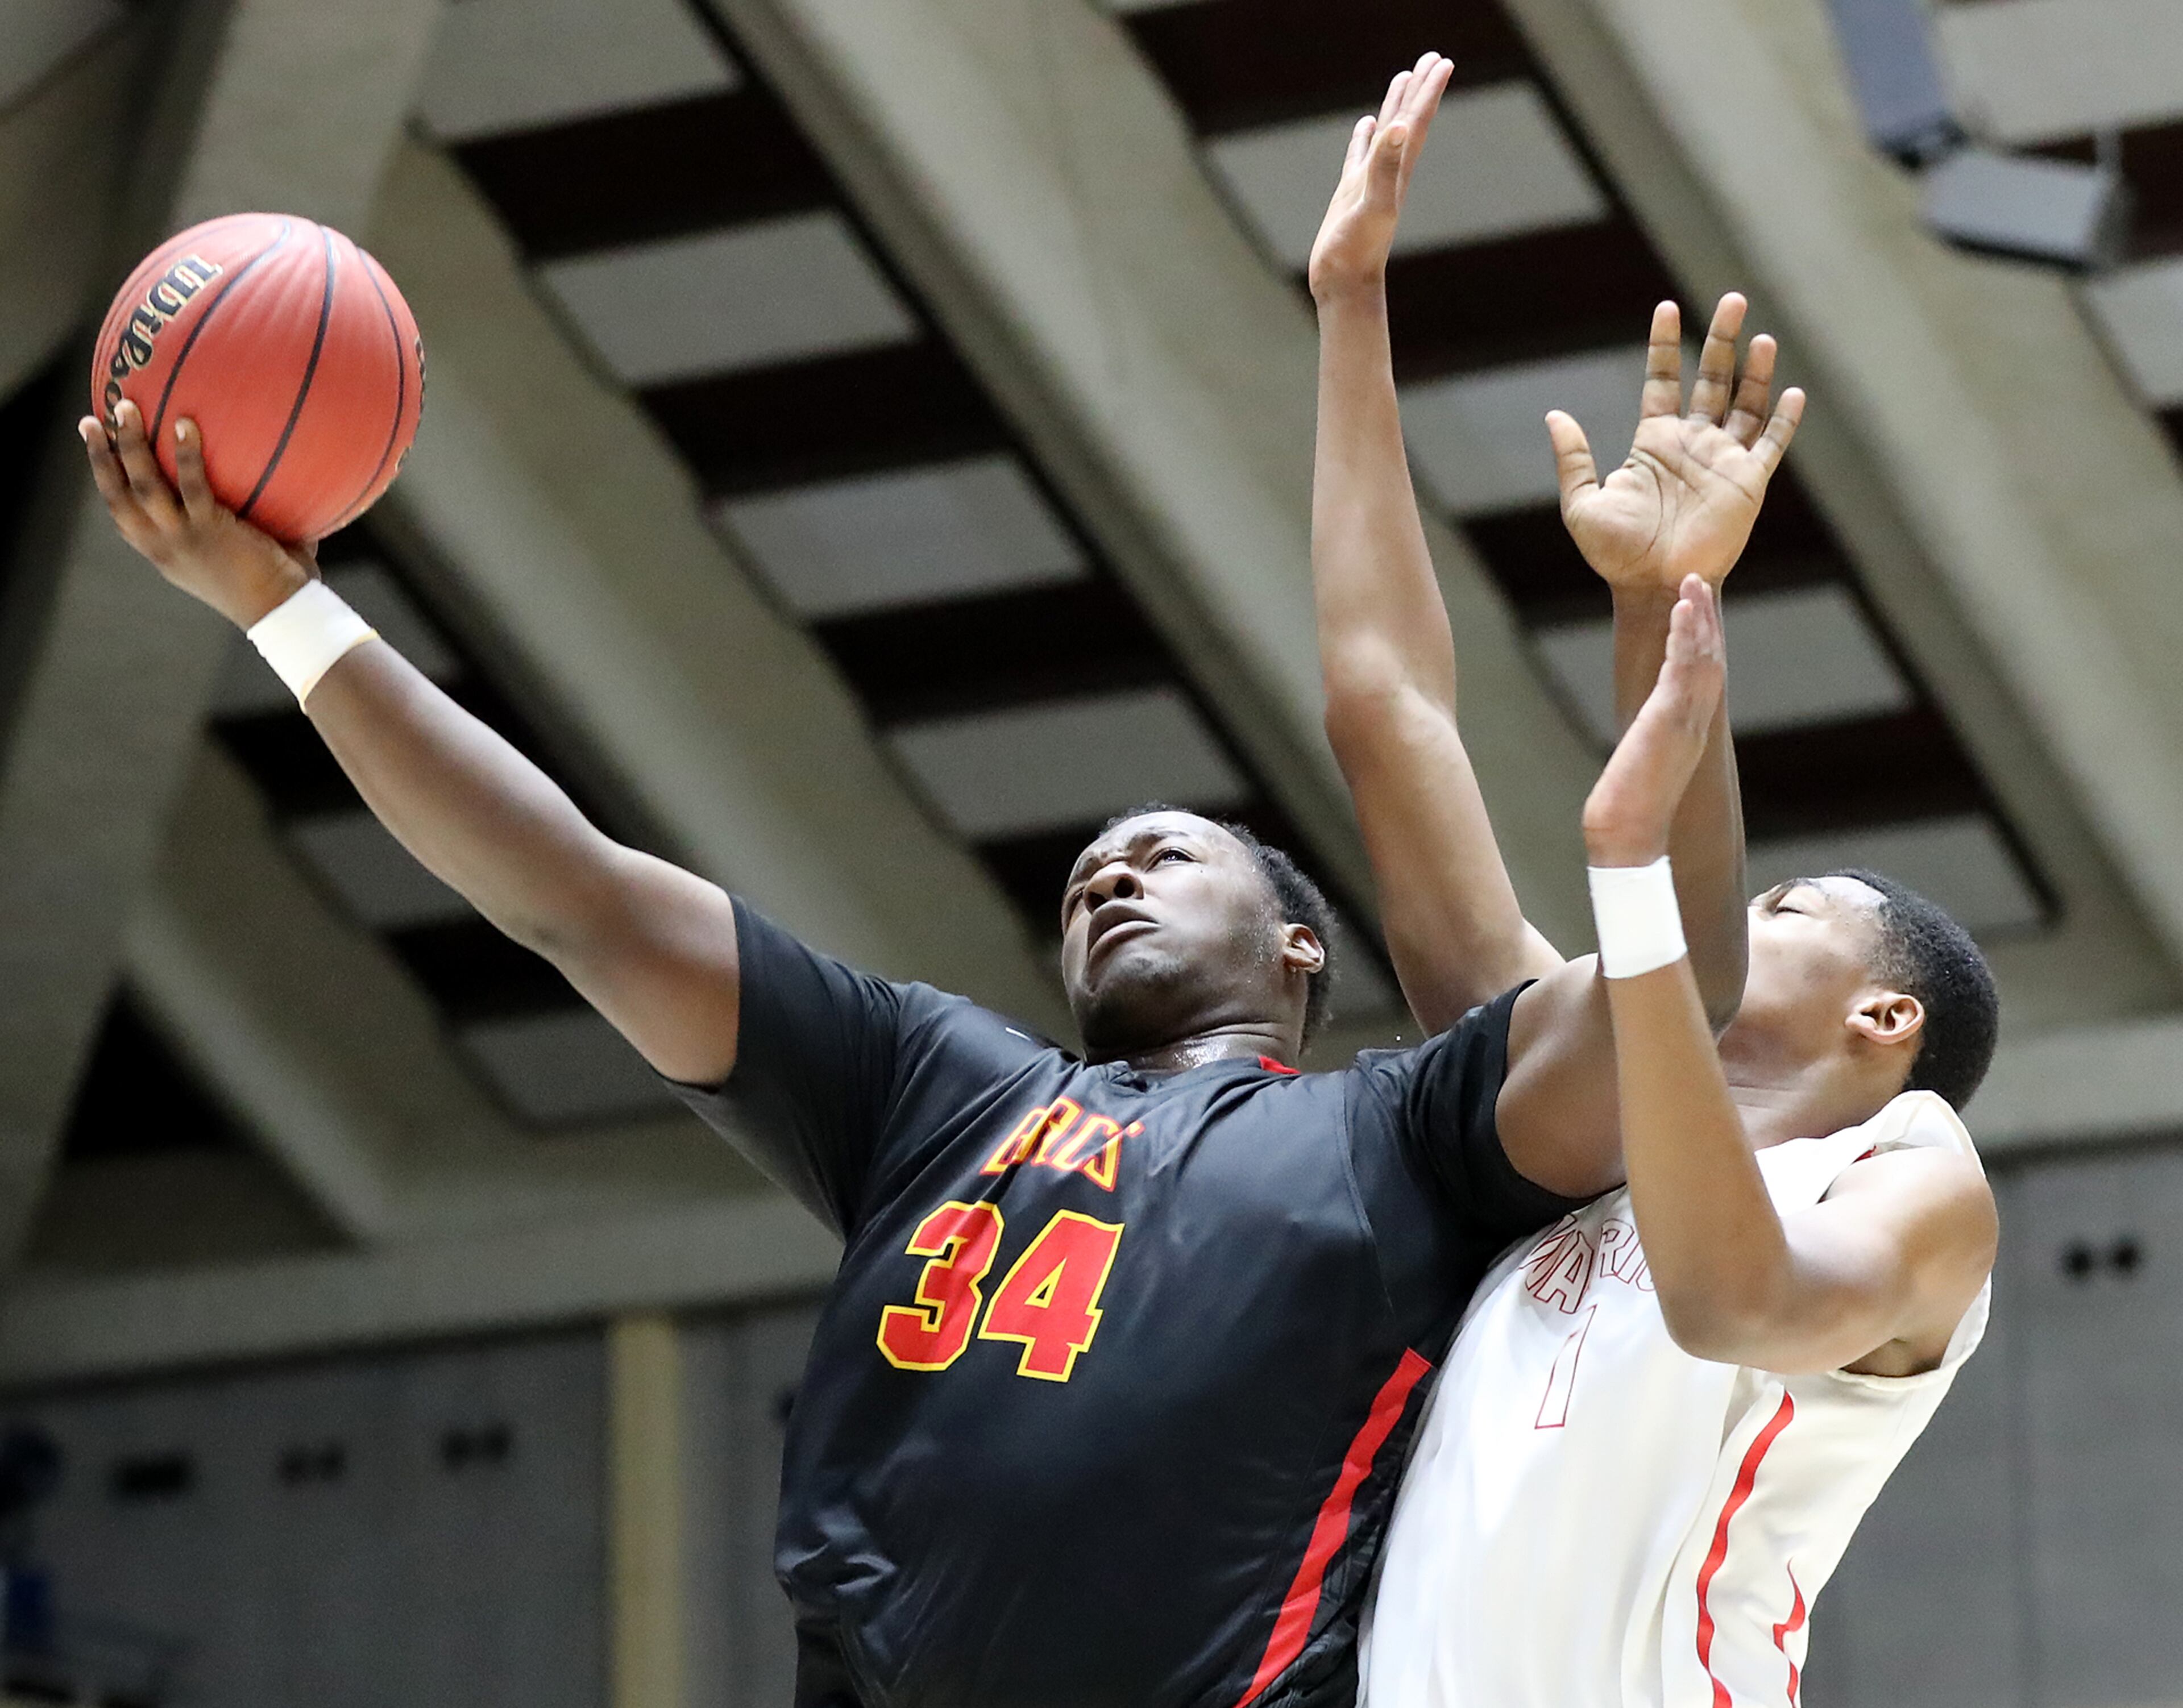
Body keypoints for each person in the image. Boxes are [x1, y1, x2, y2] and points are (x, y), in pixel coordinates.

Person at [76, 219, 1746, 1704]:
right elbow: (575, 896)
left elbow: (1682, 992)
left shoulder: (1398, 1139)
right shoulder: (933, 1088)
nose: (1110, 869)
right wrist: (285, 614)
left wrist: (1667, 628)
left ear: (1301, 941)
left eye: (1171, 852)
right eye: (1093, 867)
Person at [1305, 61, 1999, 1707]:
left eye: (1788, 909)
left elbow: (1734, 1298)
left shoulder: (1913, 1171)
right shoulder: (1569, 1133)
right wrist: (1347, 311)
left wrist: (1633, 864)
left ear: (1885, 1013)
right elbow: (1386, 718)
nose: (1738, 917)